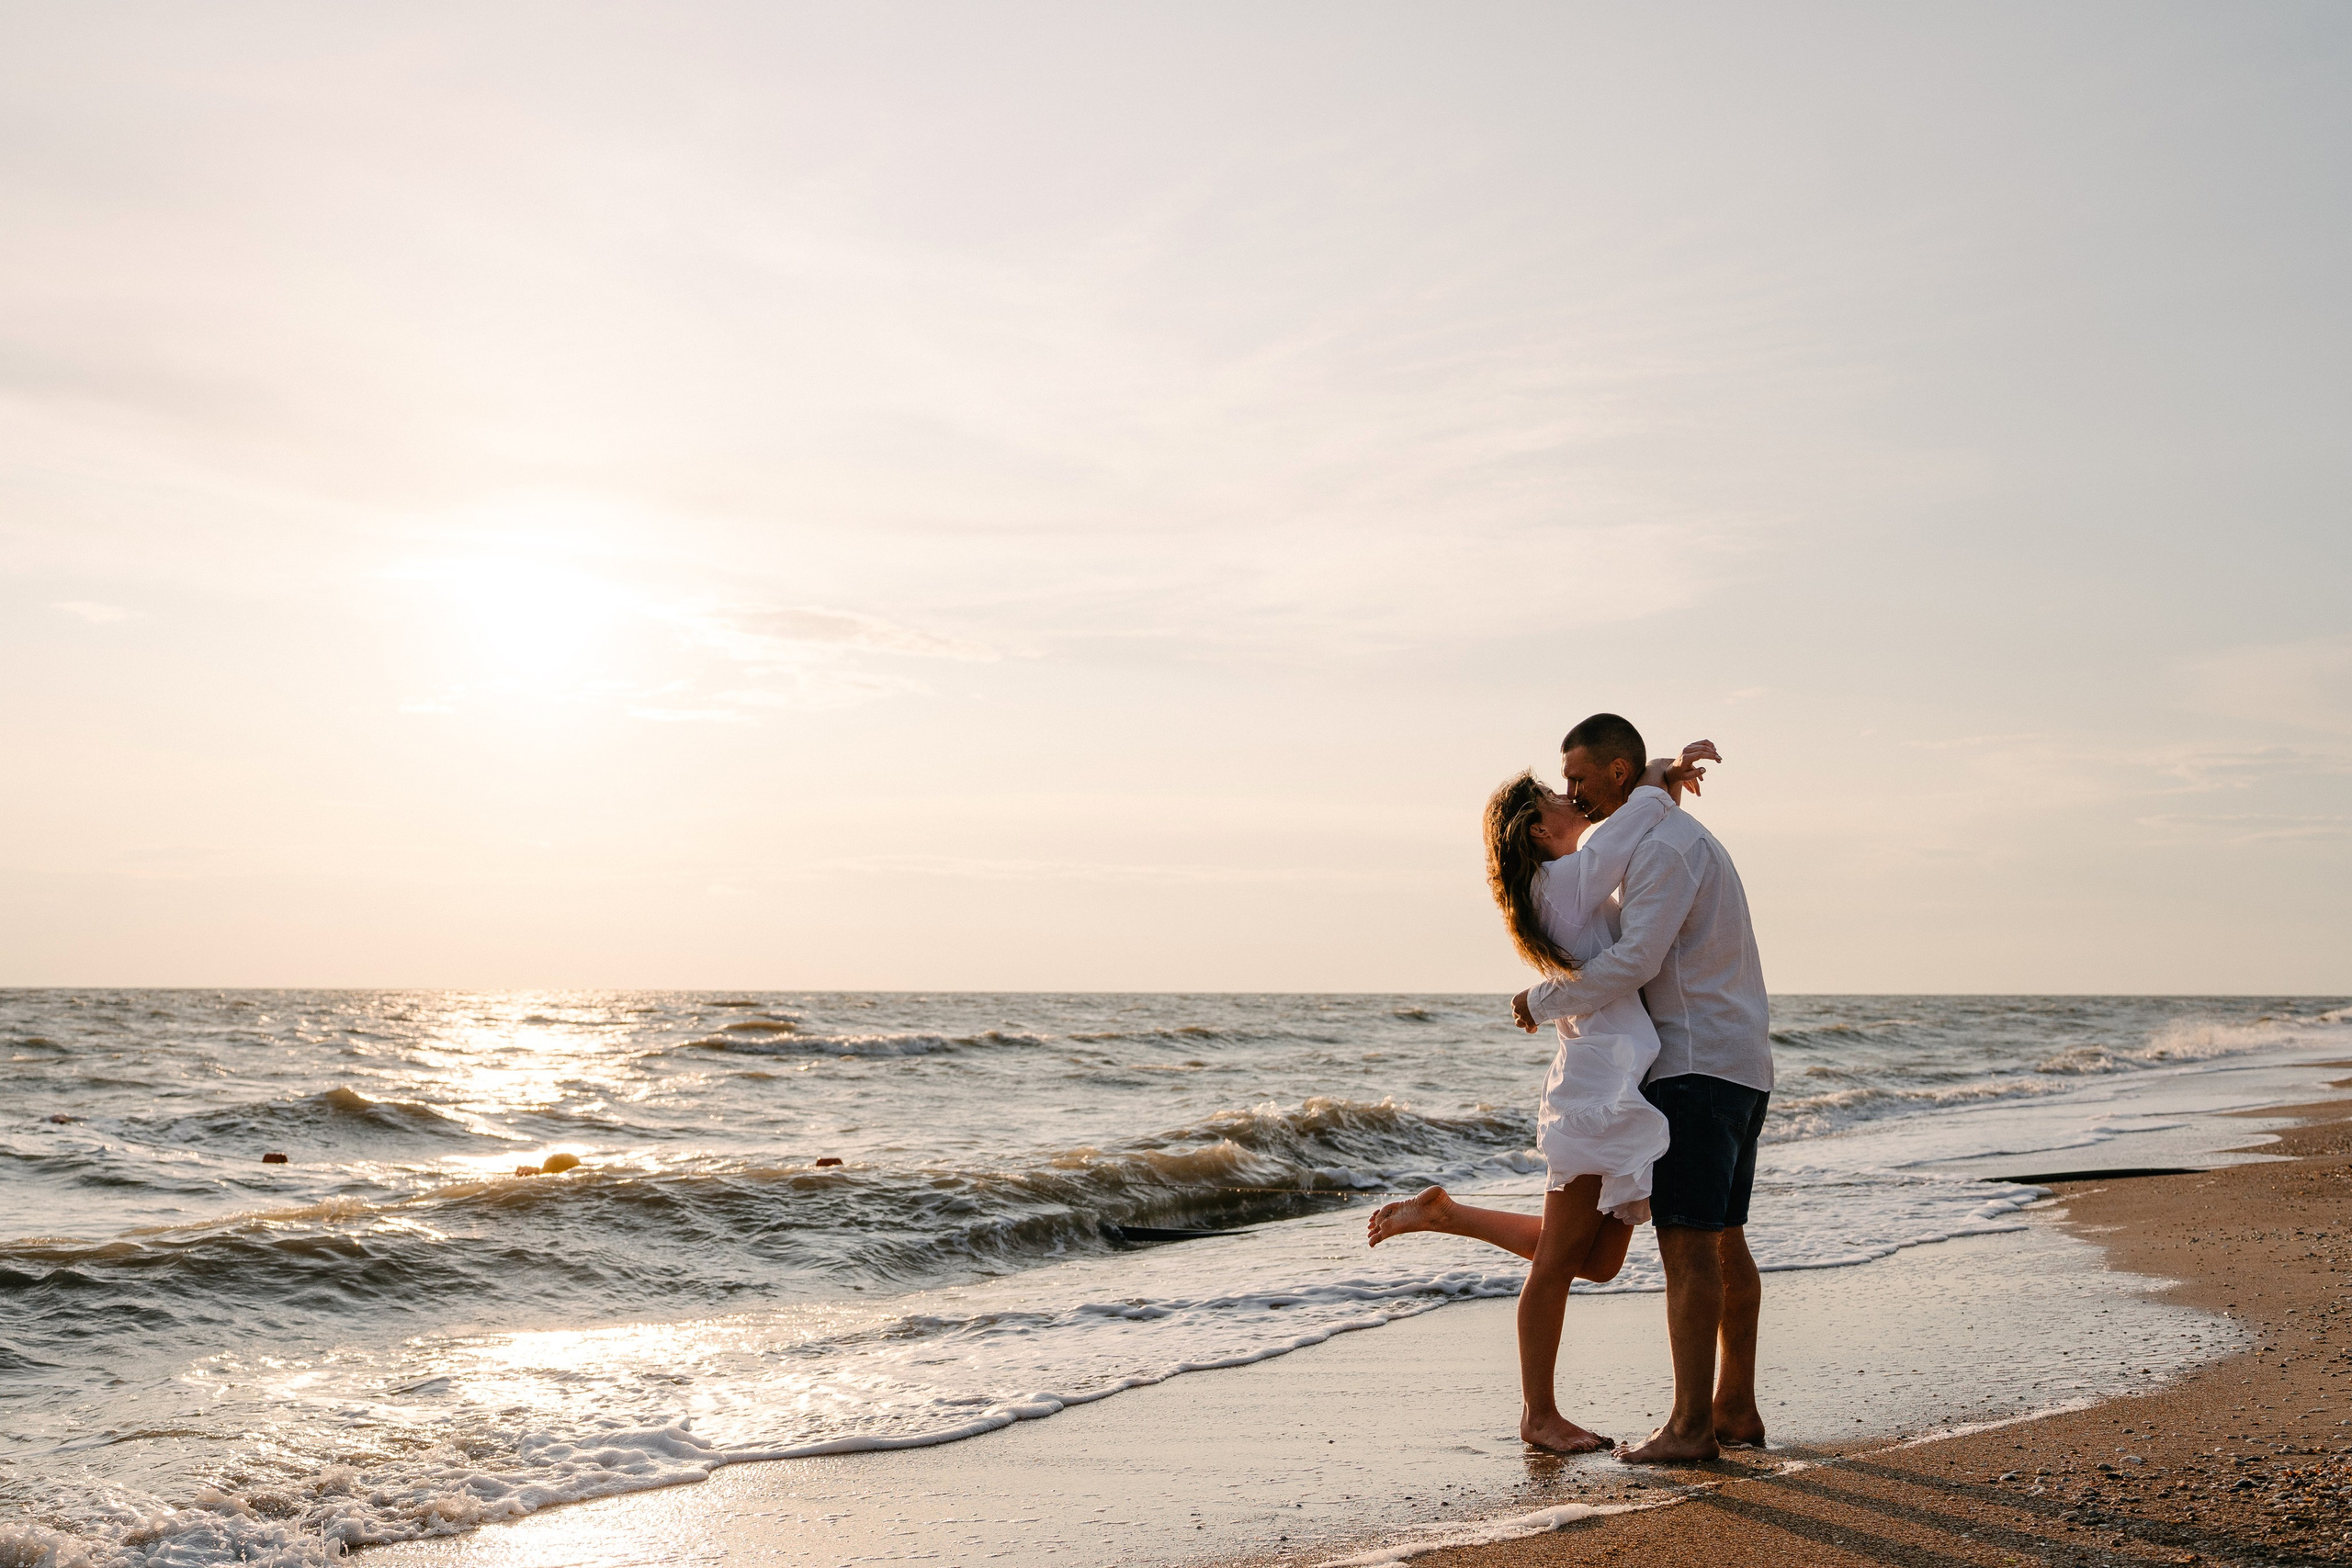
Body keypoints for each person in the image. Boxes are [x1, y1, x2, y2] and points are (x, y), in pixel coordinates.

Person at [1366, 741, 1711, 1453]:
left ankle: (1446, 1212)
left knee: (1600, 1259)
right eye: (1559, 794)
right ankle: (1538, 1414)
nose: (1572, 797)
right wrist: (1655, 773)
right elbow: (1628, 823)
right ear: (1535, 829)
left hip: (1616, 1078)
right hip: (1594, 1089)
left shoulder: (1566, 880)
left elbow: (1633, 831)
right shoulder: (1563, 881)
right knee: (1559, 1261)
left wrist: (1656, 780)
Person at [1516, 713, 1772, 1464]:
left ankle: (1692, 1426)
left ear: (1616, 774)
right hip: (1742, 1062)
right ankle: (1737, 1406)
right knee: (1726, 1239)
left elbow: (1632, 961)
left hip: (1696, 1067)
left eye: (1579, 778)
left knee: (1689, 1244)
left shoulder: (1661, 849)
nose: (1573, 792)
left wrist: (1540, 1000)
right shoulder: (1676, 837)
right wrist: (1662, 777)